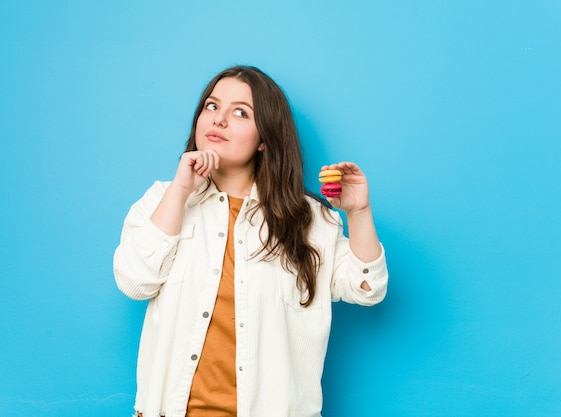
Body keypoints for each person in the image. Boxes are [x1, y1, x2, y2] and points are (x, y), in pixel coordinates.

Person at [113, 65, 388, 417]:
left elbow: (367, 289)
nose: (219, 120)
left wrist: (359, 212)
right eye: (211, 106)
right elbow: (134, 281)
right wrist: (181, 190)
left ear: (264, 139)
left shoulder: (308, 219)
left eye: (240, 112)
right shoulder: (162, 200)